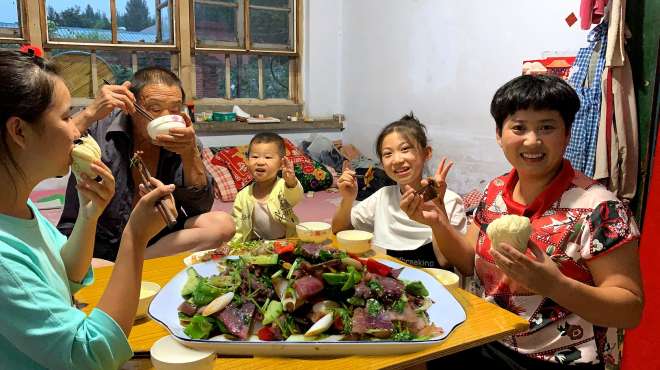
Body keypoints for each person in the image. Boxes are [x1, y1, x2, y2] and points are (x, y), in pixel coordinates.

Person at [407, 75, 643, 369]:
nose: (532, 140)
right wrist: (437, 222)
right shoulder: (494, 191)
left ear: (567, 133)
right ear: (499, 134)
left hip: (559, 358)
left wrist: (556, 285)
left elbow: (629, 310)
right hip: (485, 338)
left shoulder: (600, 208)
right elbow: (468, 262)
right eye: (519, 127)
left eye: (547, 127)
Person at [0, 50, 176, 369]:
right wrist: (134, 238)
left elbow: (68, 275)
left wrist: (89, 214)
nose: (76, 131)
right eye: (67, 117)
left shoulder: (17, 208)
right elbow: (91, 356)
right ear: (19, 131)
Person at [58, 66, 235, 261]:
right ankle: (125, 265)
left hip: (154, 237)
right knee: (70, 266)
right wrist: (89, 113)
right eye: (155, 109)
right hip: (97, 240)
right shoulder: (98, 127)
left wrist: (189, 153)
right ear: (130, 107)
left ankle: (129, 263)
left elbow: (200, 208)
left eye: (175, 109)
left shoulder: (184, 140)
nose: (165, 118)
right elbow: (47, 154)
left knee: (222, 224)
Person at [332, 113, 468, 269]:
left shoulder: (450, 201)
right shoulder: (383, 197)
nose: (396, 160)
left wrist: (438, 217)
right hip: (387, 286)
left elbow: (448, 263)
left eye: (405, 149)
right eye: (388, 154)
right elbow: (339, 230)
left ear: (426, 153)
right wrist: (348, 199)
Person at [231, 132, 303, 242]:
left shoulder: (283, 186)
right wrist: (233, 247)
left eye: (268, 157)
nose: (260, 162)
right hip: (258, 244)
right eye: (254, 157)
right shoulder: (243, 196)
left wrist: (291, 183)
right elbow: (238, 228)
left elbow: (295, 197)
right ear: (247, 161)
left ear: (281, 164)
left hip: (287, 241)